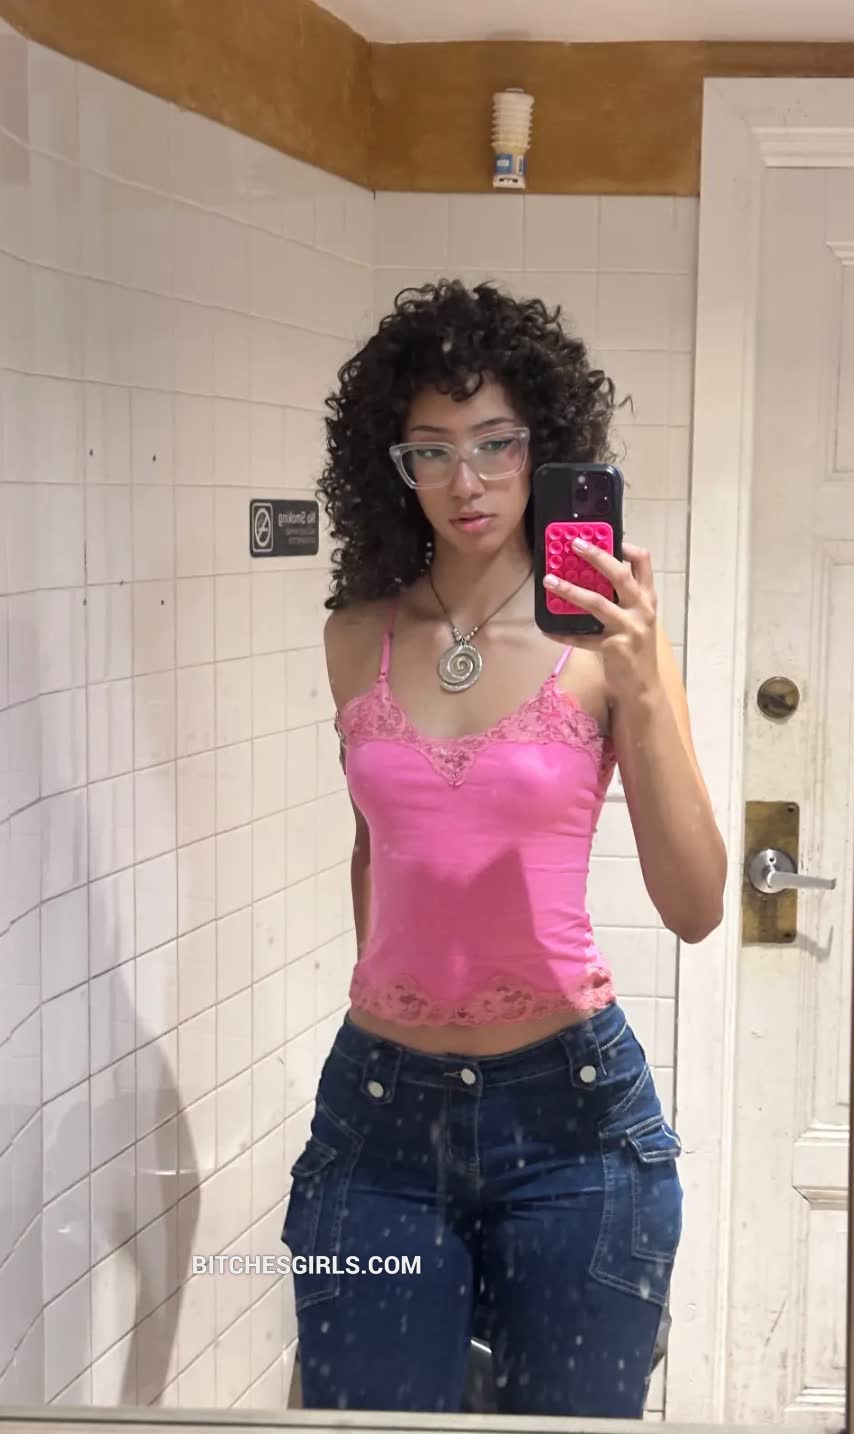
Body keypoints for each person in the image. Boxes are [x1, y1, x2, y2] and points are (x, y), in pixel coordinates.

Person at [280, 279, 727, 1417]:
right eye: (430, 451)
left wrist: (644, 684)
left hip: (571, 1123)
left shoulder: (610, 645)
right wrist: (411, 984)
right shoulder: (356, 638)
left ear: (546, 448)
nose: (465, 481)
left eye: (494, 443)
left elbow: (696, 904)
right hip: (378, 1114)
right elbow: (378, 850)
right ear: (392, 466)